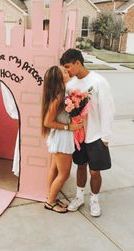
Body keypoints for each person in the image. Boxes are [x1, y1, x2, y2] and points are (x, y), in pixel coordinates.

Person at [60, 48, 115, 217]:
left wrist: (105, 136)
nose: (67, 71)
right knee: (81, 167)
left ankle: (94, 200)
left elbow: (108, 109)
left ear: (78, 62)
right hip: (79, 136)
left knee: (95, 171)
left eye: (68, 66)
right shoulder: (70, 86)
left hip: (96, 135)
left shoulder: (99, 81)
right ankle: (79, 197)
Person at [41, 65, 83, 213]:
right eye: (64, 72)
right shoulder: (59, 97)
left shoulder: (63, 93)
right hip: (61, 138)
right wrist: (68, 127)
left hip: (59, 136)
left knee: (54, 168)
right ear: (60, 79)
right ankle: (50, 202)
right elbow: (47, 122)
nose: (68, 72)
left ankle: (50, 197)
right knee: (64, 174)